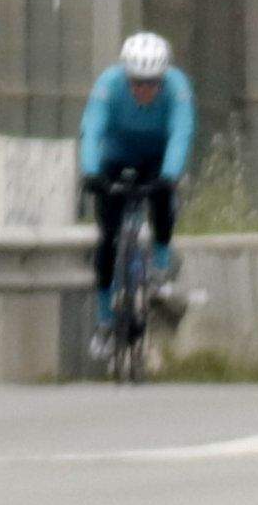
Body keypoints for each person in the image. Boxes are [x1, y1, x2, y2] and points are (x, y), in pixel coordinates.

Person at [78, 31, 194, 323]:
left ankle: (161, 263)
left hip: (156, 157)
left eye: (153, 82)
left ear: (163, 77)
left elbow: (181, 132)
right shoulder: (109, 84)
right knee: (108, 236)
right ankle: (105, 316)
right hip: (116, 156)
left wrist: (170, 174)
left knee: (162, 199)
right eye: (137, 82)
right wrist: (91, 172)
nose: (145, 89)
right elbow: (92, 129)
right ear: (126, 76)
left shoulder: (177, 88)